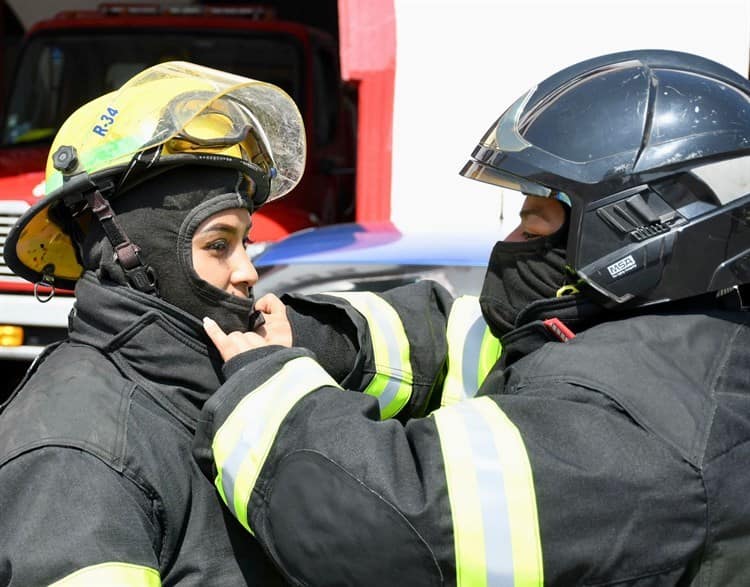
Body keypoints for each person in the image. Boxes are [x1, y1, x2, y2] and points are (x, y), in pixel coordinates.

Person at [192, 49, 750, 585]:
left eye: (533, 228)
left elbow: (385, 525)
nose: (510, 242)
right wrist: (319, 336)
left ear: (635, 241)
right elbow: (467, 337)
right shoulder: (657, 338)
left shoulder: (634, 435)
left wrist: (265, 386)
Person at [0, 61, 305, 585]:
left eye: (245, 242)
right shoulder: (75, 455)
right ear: (137, 257)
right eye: (218, 245)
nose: (248, 271)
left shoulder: (206, 391)